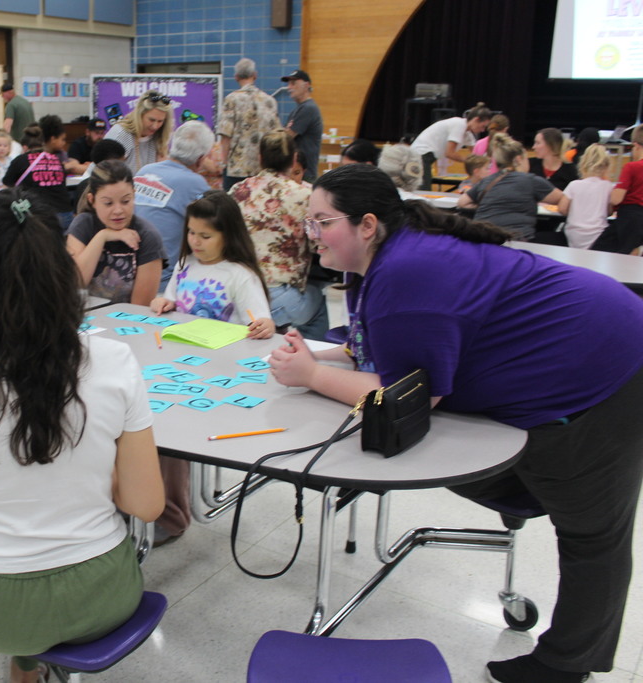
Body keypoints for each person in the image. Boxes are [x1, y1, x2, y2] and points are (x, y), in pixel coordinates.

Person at [268, 162, 643, 683]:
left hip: (608, 366)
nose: (311, 235)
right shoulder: (391, 257)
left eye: (322, 222)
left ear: (368, 224)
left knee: (590, 533)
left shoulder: (404, 272)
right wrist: (325, 359)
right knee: (489, 465)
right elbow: (378, 347)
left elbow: (410, 396)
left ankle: (566, 666)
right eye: (309, 221)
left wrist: (309, 373)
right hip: (592, 342)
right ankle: (529, 501)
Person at [0, 188, 164, 683]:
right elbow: (147, 504)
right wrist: (97, 473)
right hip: (98, 593)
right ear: (60, 264)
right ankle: (26, 671)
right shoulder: (114, 362)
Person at [230, 129, 329, 340]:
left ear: (260, 157)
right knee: (317, 303)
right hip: (278, 294)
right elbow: (318, 244)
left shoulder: (237, 190)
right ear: (294, 159)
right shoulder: (305, 196)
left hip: (235, 291)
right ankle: (312, 362)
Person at [152, 189, 273, 337]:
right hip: (184, 347)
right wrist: (162, 303)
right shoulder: (185, 264)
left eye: (205, 236)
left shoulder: (241, 275)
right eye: (191, 232)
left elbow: (260, 321)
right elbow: (170, 301)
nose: (195, 241)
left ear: (228, 236)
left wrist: (265, 326)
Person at [66, 160, 163, 305]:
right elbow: (75, 282)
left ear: (134, 196)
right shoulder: (83, 224)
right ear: (92, 200)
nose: (118, 211)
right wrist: (102, 236)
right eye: (108, 203)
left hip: (124, 323)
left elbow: (140, 308)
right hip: (84, 318)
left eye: (125, 201)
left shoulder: (148, 235)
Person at [132, 121, 214, 290]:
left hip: (129, 271)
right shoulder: (194, 183)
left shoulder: (144, 171)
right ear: (200, 159)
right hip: (163, 282)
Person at [457, 133, 563, 241]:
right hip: (515, 239)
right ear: (518, 159)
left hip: (482, 237)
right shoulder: (531, 180)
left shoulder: (487, 180)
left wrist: (489, 205)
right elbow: (562, 199)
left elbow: (462, 202)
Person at [218, 58, 280, 189]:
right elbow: (277, 136)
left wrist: (222, 164)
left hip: (237, 168)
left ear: (236, 77)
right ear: (255, 75)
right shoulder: (270, 101)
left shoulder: (231, 99)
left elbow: (225, 135)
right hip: (263, 168)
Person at [3, 116, 72, 228]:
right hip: (65, 214)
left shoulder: (20, 161)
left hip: (40, 216)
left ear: (24, 147)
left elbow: (6, 189)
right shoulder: (56, 160)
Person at [410, 103, 492, 190]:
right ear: (476, 119)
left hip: (425, 157)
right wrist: (469, 161)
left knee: (424, 188)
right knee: (424, 190)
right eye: (483, 126)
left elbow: (477, 154)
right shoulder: (459, 125)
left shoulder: (467, 134)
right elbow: (449, 153)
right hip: (419, 155)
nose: (483, 130)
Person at [558, 144, 614, 250]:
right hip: (598, 234)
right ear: (606, 166)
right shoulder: (608, 187)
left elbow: (562, 208)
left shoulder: (574, 185)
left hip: (574, 233)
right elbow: (609, 211)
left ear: (583, 164)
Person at [103, 89, 173, 173]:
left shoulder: (158, 137)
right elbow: (104, 172)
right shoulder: (122, 133)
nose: (155, 126)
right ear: (140, 115)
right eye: (151, 120)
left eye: (160, 121)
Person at [598, 126, 643, 254]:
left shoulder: (632, 167)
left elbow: (616, 199)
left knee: (601, 250)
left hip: (630, 217)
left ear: (636, 145)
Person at [282, 69, 322, 183]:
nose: (289, 88)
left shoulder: (308, 108)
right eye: (288, 84)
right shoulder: (298, 110)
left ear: (306, 85)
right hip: (297, 171)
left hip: (304, 174)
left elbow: (286, 137)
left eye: (293, 83)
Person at [529, 127, 579, 191]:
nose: (533, 147)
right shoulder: (530, 164)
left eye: (538, 143)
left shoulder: (571, 171)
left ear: (550, 145)